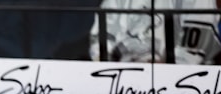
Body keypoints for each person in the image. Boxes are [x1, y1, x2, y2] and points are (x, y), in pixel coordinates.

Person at [91, 0, 221, 63]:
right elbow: (100, 41)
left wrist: (160, 75)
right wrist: (109, 70)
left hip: (184, 89)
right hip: (123, 85)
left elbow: (190, 55)